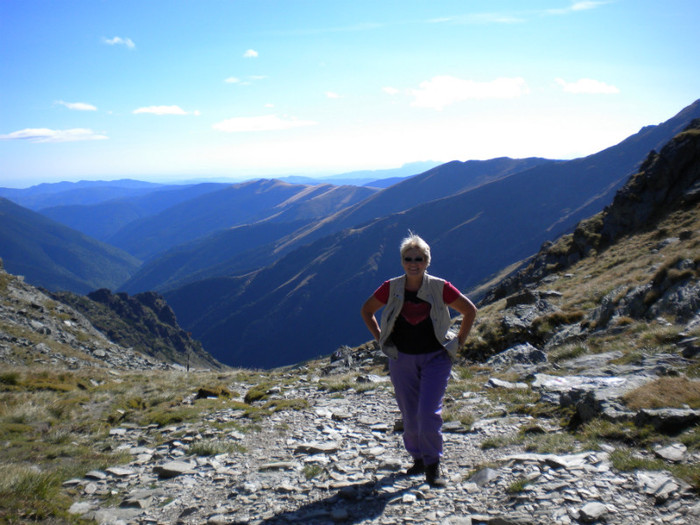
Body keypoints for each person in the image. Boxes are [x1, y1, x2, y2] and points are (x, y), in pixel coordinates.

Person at [360, 232, 477, 487]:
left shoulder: (440, 287)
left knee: (427, 412)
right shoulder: (391, 287)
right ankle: (418, 459)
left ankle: (433, 465)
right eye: (408, 258)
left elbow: (469, 310)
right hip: (401, 358)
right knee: (410, 415)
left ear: (427, 261)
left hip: (436, 357)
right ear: (402, 261)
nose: (414, 263)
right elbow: (367, 311)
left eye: (419, 258)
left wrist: (459, 341)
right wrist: (381, 338)